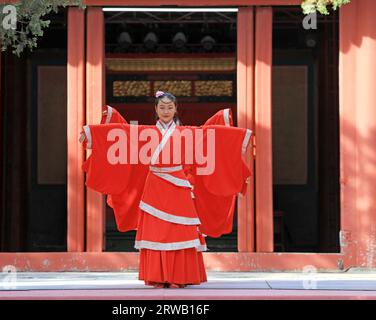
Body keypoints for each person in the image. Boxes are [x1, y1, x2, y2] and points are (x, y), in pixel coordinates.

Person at [79, 91, 252, 289]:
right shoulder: (145, 133)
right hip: (154, 185)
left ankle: (179, 276)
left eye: (170, 107)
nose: (166, 111)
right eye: (162, 107)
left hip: (178, 185)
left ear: (176, 109)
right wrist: (91, 132)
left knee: (179, 231)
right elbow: (122, 133)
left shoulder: (187, 133)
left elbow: (211, 135)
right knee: (157, 231)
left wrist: (241, 138)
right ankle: (157, 275)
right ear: (156, 109)